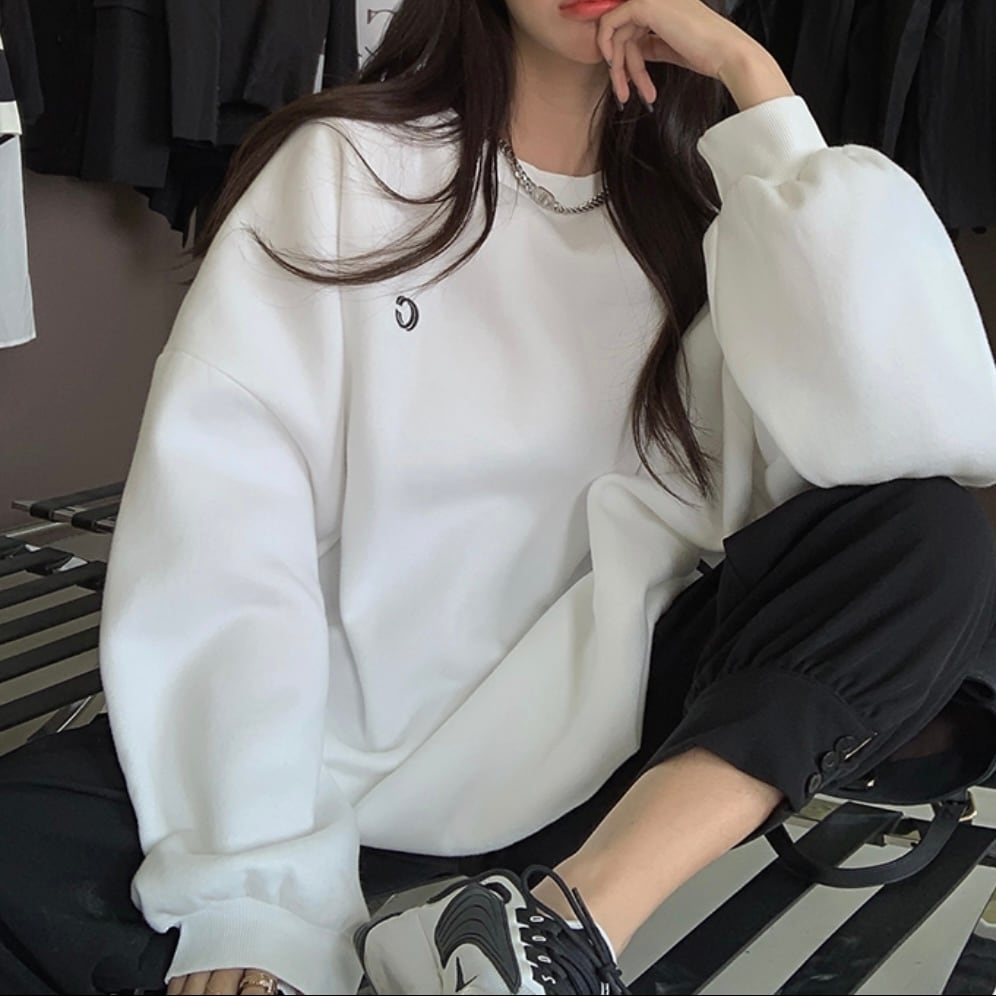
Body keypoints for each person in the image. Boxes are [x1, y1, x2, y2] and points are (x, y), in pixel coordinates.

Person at [2, 0, 996, 994]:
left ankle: (559, 929)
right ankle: (423, 936)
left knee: (927, 531)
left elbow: (922, 434)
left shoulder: (720, 204)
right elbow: (227, 535)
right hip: (318, 748)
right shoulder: (345, 165)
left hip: (600, 765)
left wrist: (755, 84)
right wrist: (256, 887)